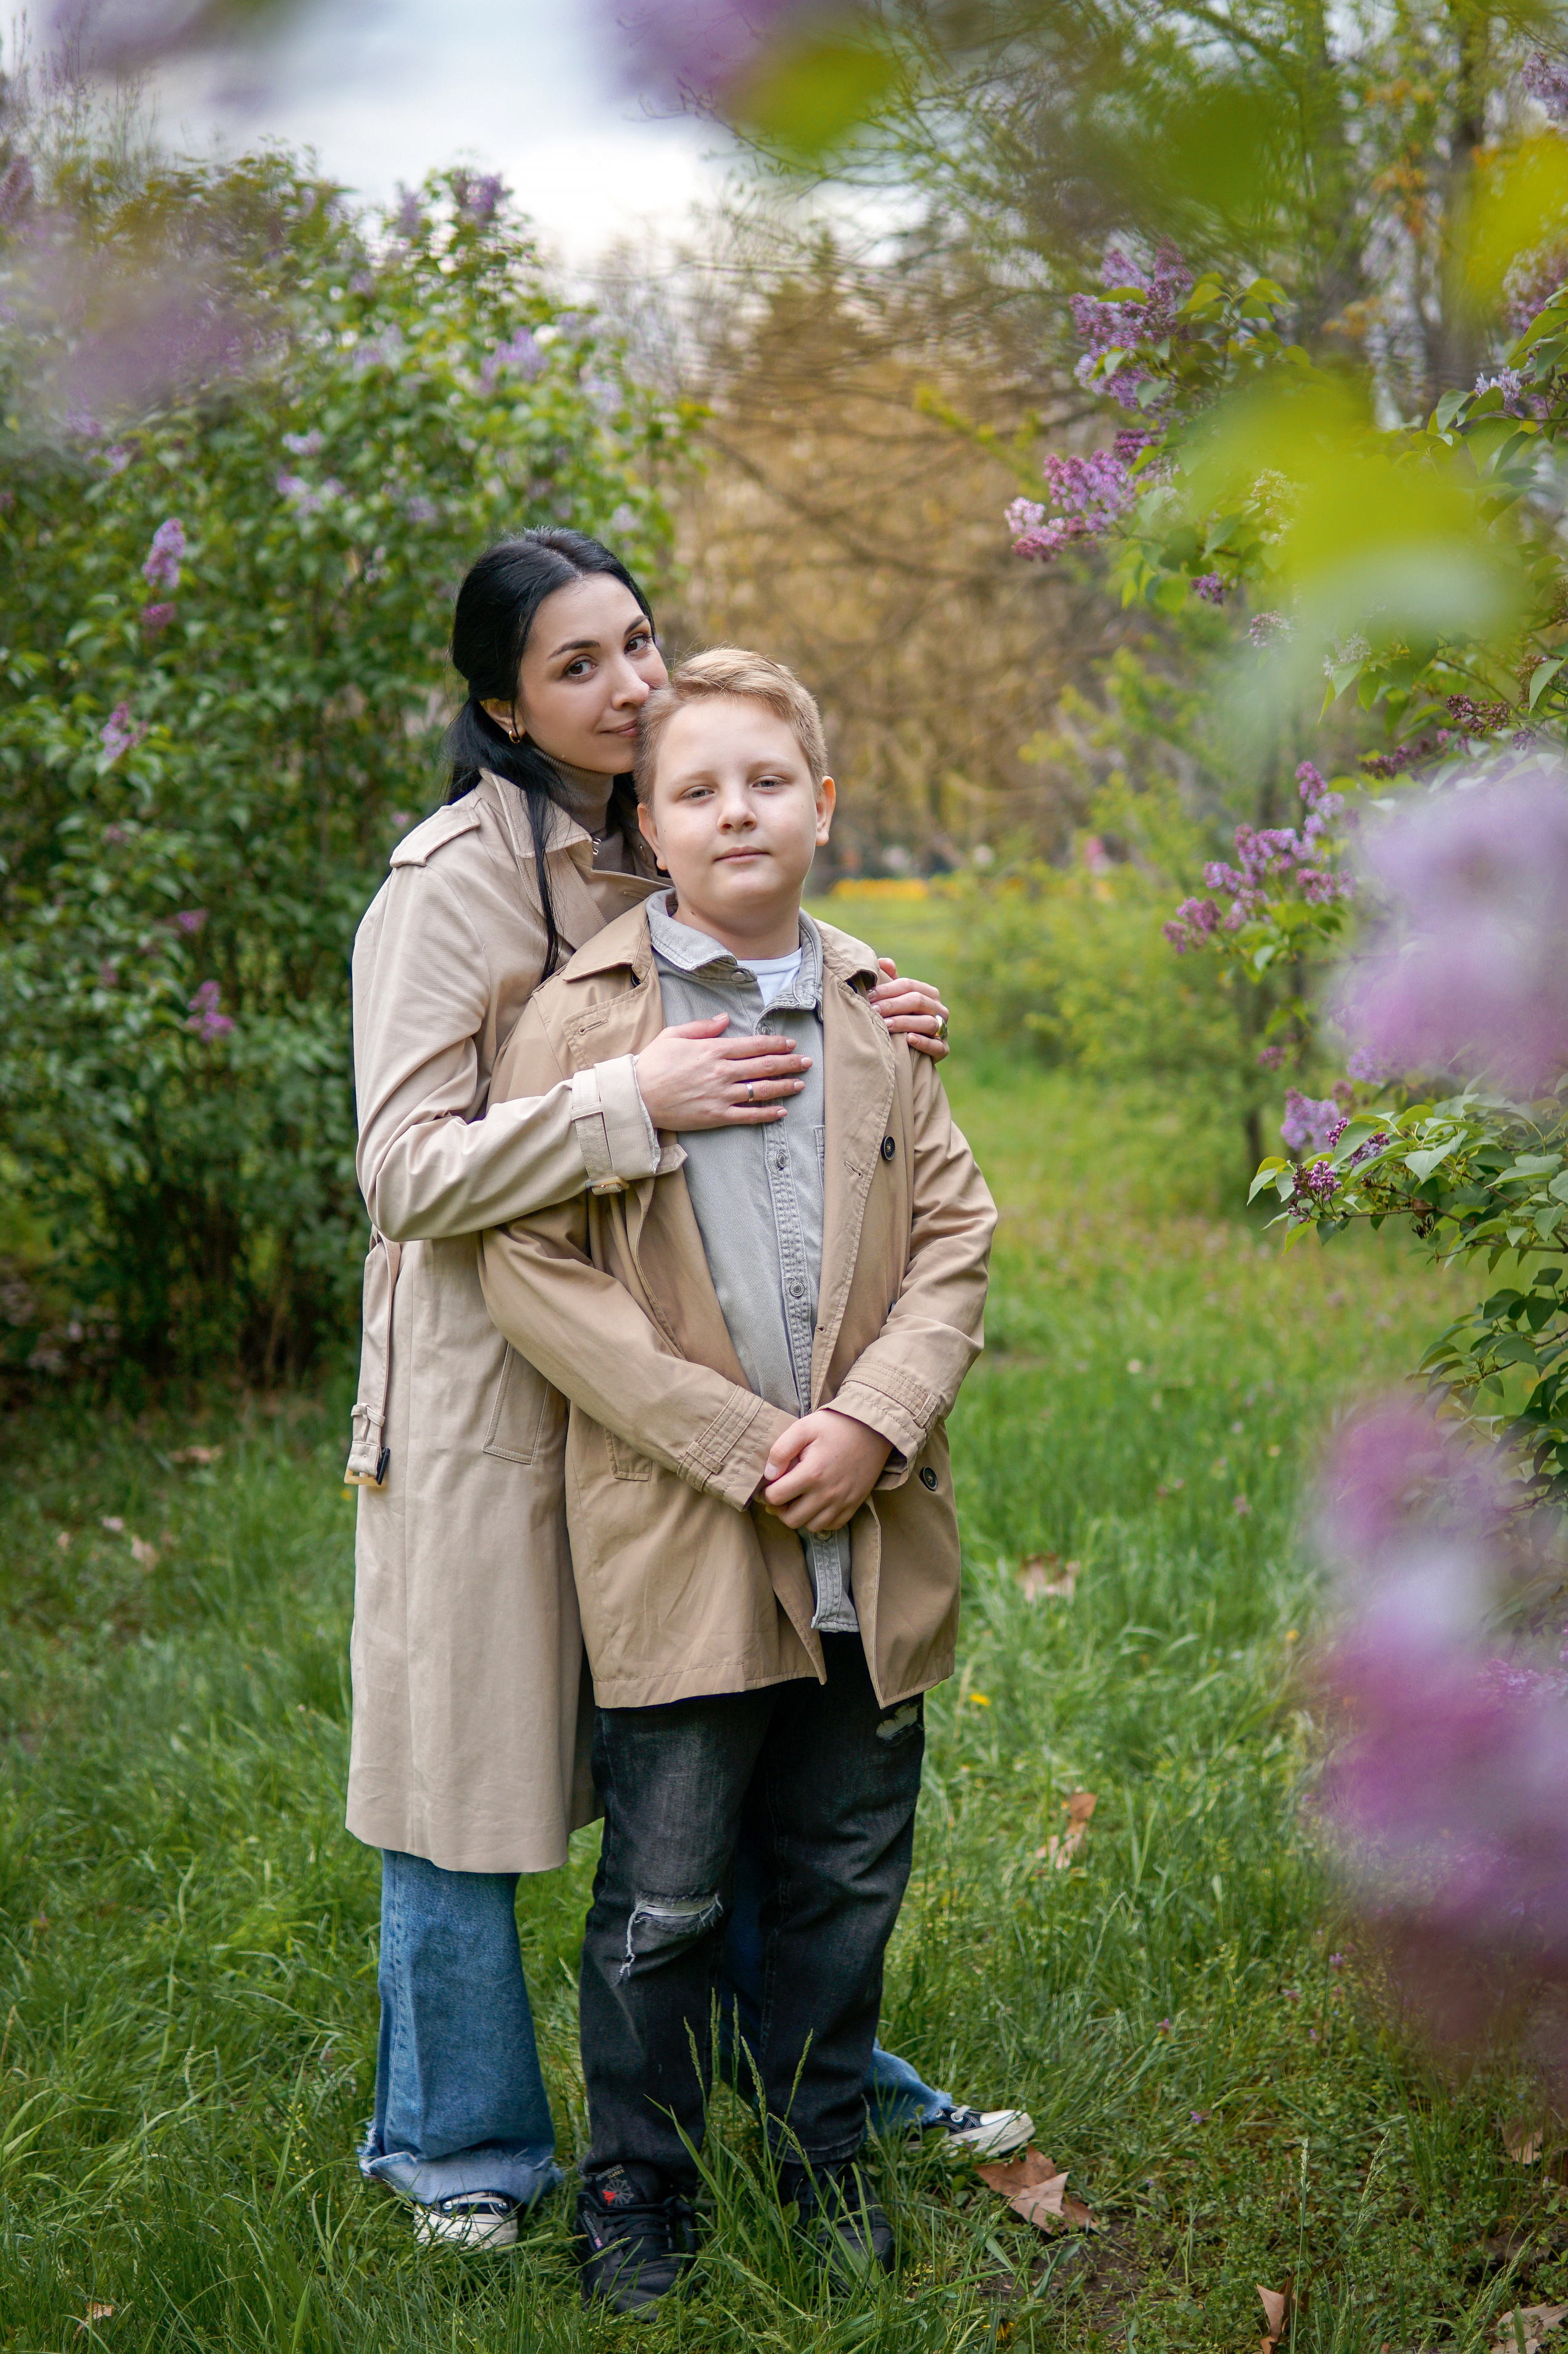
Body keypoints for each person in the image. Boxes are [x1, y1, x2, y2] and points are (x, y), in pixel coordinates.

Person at [345, 530, 1027, 2252]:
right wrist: (631, 1097)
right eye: (578, 667)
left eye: (638, 643)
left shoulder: (641, 819)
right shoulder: (451, 881)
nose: (629, 685)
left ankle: (823, 2096)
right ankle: (470, 2156)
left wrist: (873, 985)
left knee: (742, 1758)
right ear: (503, 703)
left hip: (700, 1357)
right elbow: (407, 1174)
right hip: (493, 1388)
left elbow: (757, 903)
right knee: (468, 1778)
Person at [478, 647, 999, 2310]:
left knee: (848, 1868)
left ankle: (822, 2149)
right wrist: (739, 1445)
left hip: (872, 1528)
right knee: (671, 1888)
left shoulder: (875, 1006)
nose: (736, 810)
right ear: (652, 821)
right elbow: (529, 1272)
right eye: (695, 789)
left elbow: (956, 1242)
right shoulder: (588, 1022)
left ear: (824, 805)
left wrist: (874, 1421)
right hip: (687, 1539)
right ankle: (639, 2179)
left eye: (768, 780)